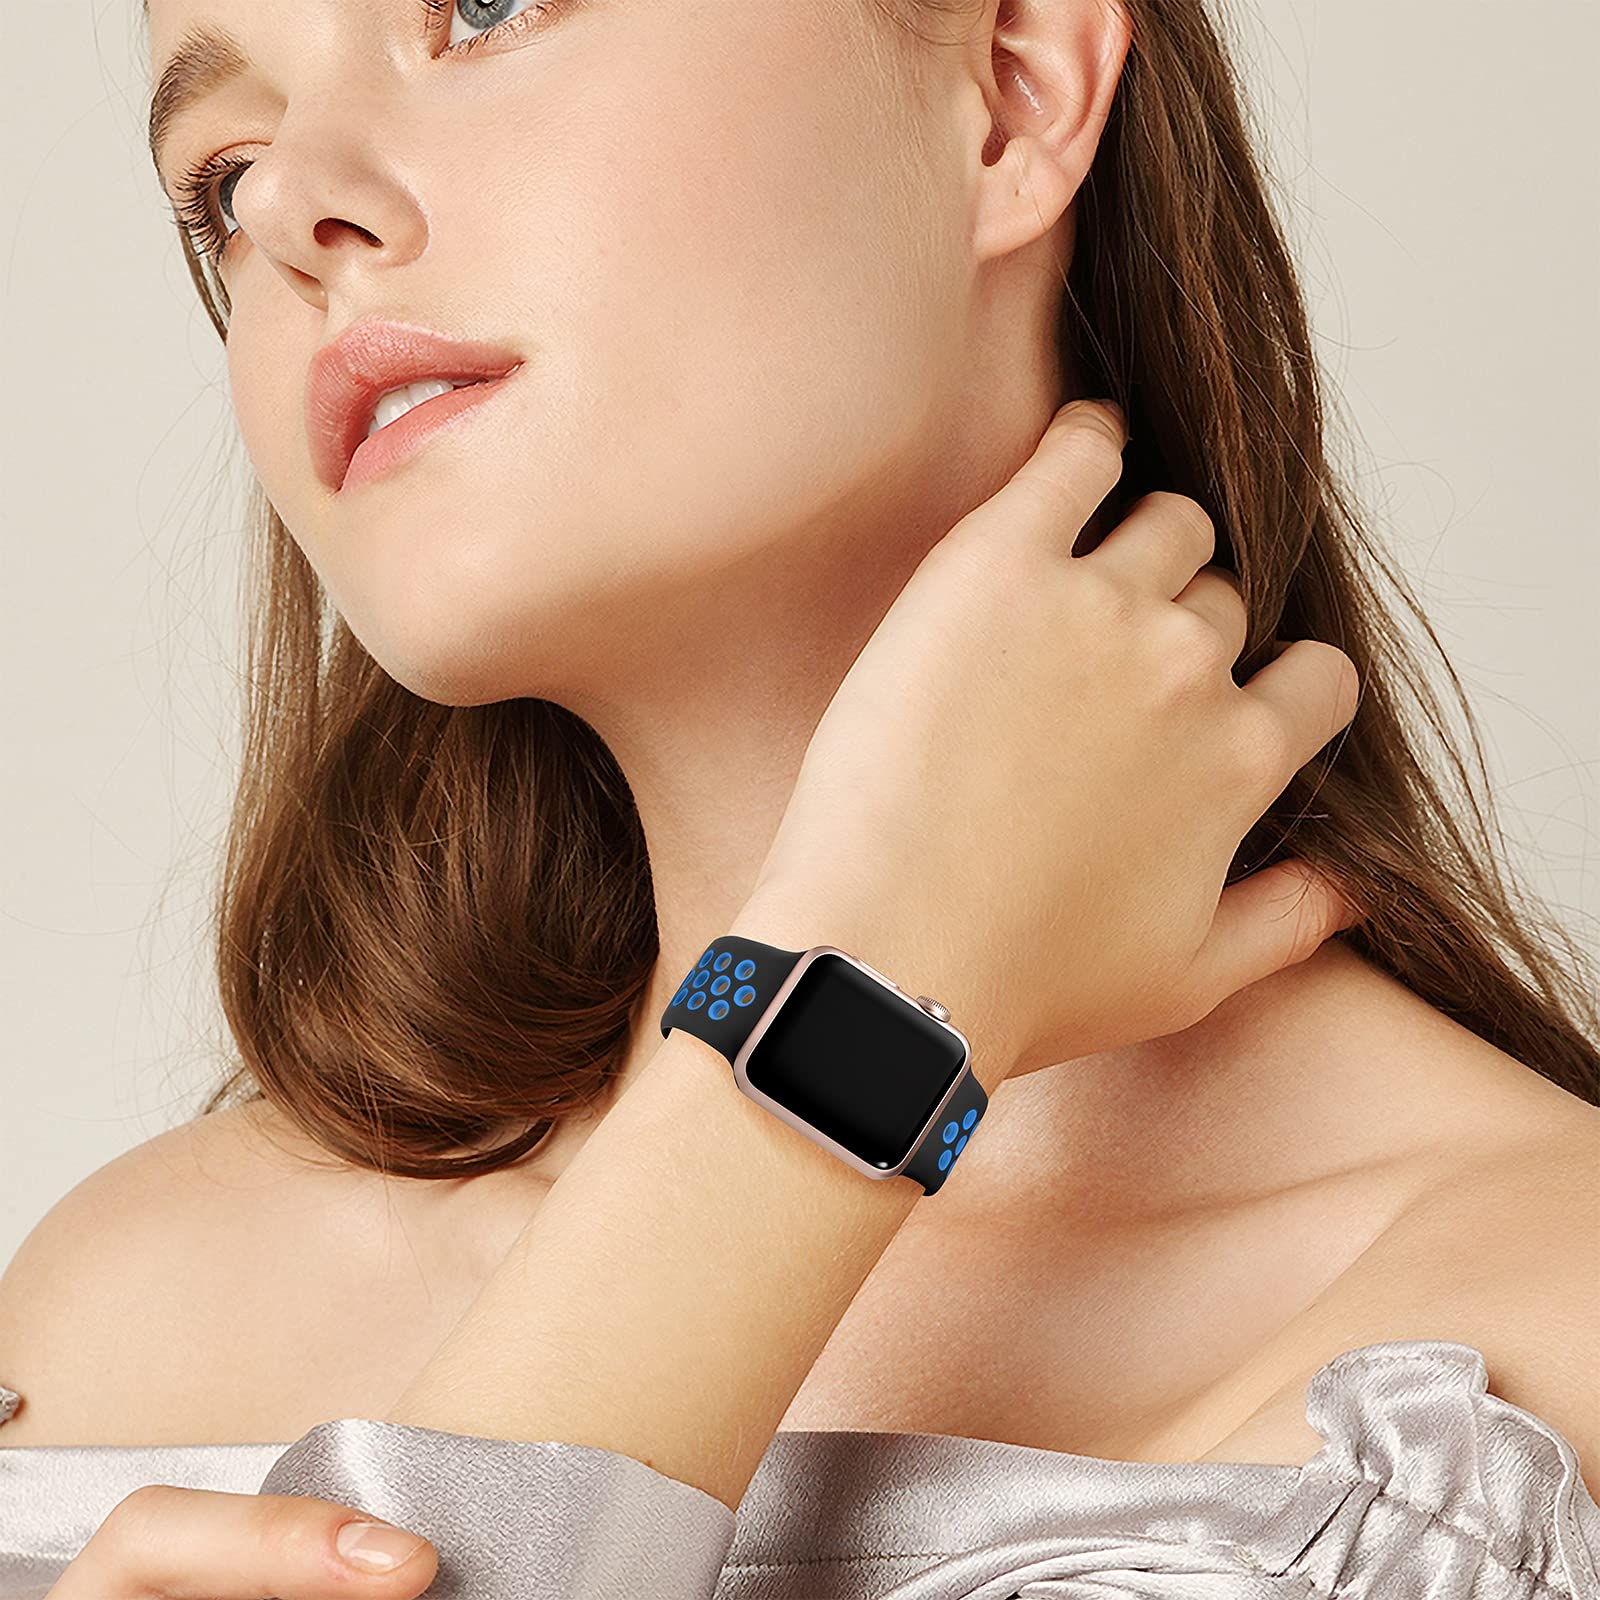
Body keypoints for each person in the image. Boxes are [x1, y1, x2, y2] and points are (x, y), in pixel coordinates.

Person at [2, 0, 1596, 1596]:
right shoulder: (132, 1314)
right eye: (223, 177)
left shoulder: (1498, 1385)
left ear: (1010, 89)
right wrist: (878, 981)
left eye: (484, 7)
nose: (289, 204)